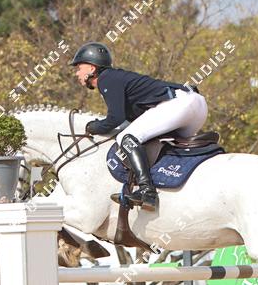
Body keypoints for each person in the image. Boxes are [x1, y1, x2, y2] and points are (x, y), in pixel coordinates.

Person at [70, 41, 208, 211]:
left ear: (92, 68)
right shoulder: (116, 78)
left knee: (126, 138)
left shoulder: (106, 78)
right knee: (157, 142)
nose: (77, 73)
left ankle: (147, 191)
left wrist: (93, 127)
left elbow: (115, 118)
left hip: (180, 105)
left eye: (79, 68)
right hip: (197, 106)